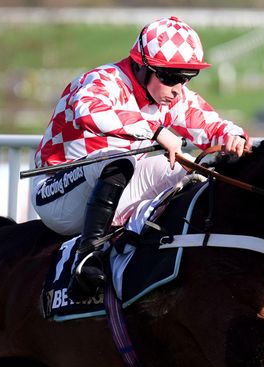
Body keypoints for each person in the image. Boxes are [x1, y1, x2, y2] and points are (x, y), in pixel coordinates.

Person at [31, 16, 248, 301]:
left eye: (185, 78)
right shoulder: (102, 80)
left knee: (194, 167)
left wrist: (234, 137)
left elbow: (209, 124)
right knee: (117, 159)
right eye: (170, 78)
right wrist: (157, 131)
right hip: (57, 193)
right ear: (141, 67)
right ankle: (87, 259)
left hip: (110, 189)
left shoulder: (171, 96)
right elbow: (88, 111)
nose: (178, 88)